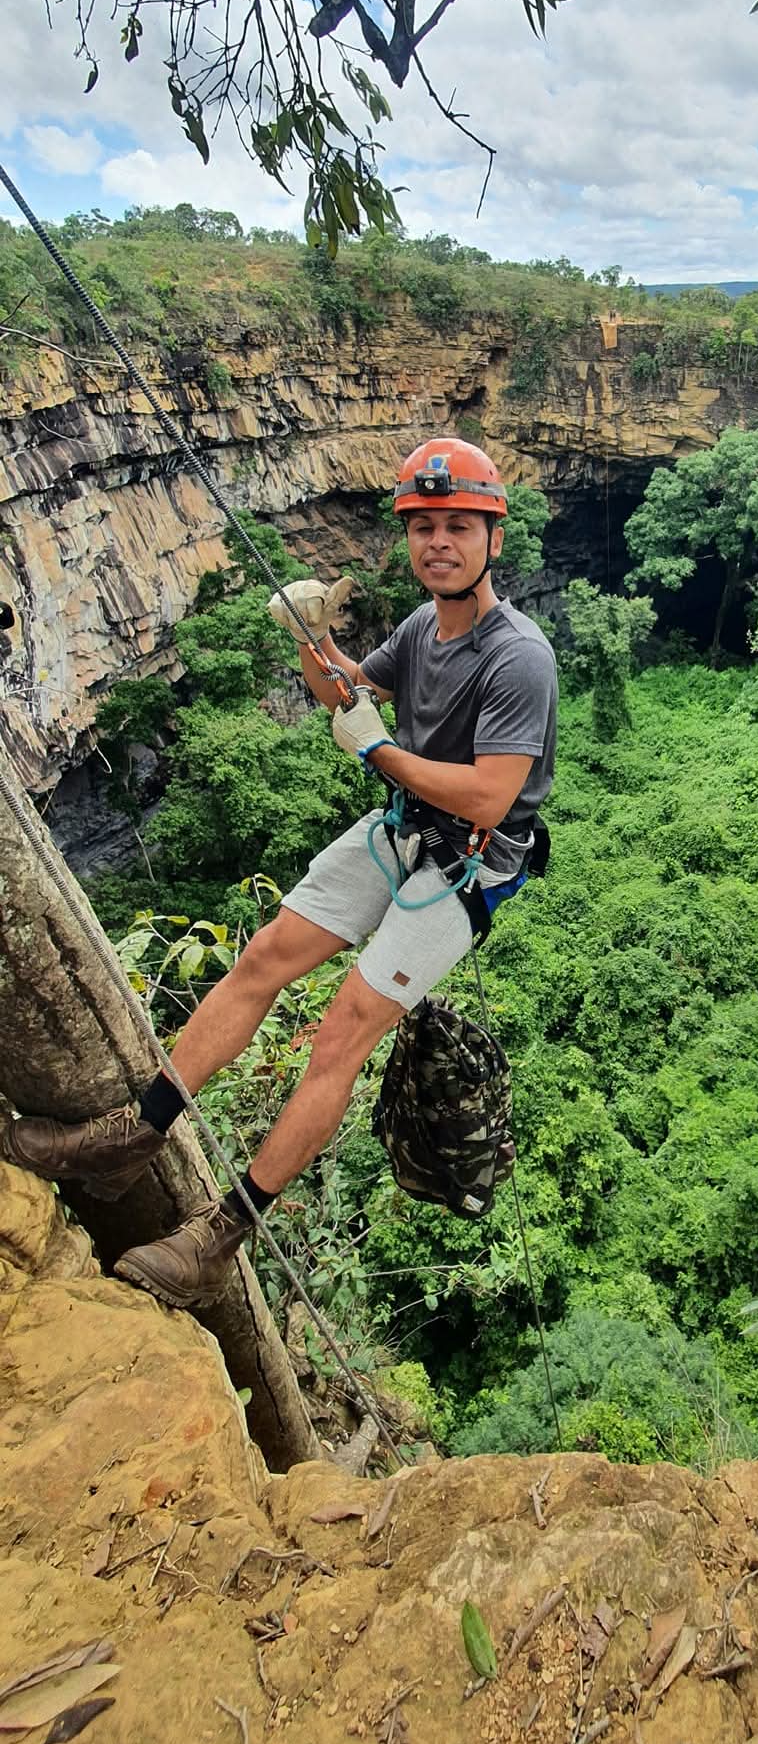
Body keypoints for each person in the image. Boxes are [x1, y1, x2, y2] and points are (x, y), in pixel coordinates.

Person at [2, 438, 557, 1307]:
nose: (438, 543)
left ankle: (219, 1239)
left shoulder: (517, 655)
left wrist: (378, 748)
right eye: (423, 527)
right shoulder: (421, 627)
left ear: (493, 536)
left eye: (458, 526)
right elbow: (344, 692)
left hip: (467, 866)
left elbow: (491, 796)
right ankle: (132, 1137)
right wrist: (314, 639)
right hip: (404, 830)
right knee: (263, 958)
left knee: (340, 1035)